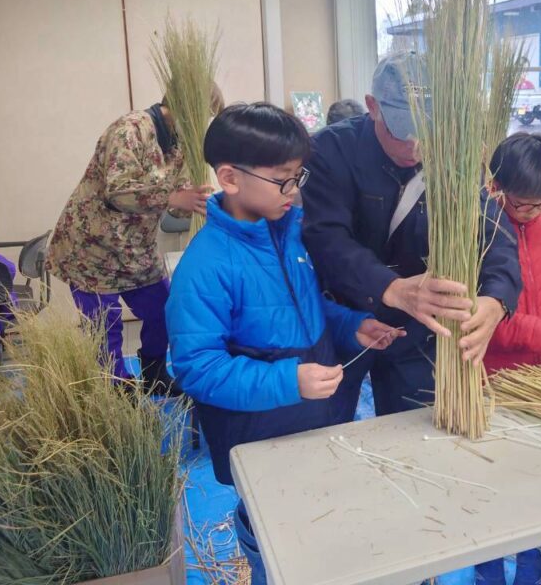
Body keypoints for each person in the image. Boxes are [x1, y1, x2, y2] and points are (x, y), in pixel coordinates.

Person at [165, 102, 403, 581]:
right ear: (230, 178)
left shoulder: (290, 236)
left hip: (312, 420)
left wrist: (350, 325)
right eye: (283, 180)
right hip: (258, 438)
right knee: (272, 541)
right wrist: (288, 380)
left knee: (316, 527)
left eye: (299, 178)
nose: (294, 193)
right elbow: (198, 368)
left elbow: (309, 307)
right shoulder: (206, 265)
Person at [301, 51, 521, 419]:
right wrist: (394, 288)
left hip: (419, 330)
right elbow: (327, 240)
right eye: (402, 131)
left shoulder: (451, 156)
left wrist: (497, 301)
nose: (416, 147)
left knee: (417, 430)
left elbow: (495, 235)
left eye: (427, 132)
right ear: (372, 106)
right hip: (340, 318)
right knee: (323, 432)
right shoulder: (329, 150)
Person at [47, 88, 222, 394]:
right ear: (183, 104)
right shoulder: (131, 129)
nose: (202, 124)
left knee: (165, 310)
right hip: (91, 247)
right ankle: (115, 389)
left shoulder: (178, 144)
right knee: (105, 325)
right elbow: (119, 191)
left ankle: (154, 375)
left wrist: (194, 202)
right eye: (203, 114)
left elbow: (176, 197)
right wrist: (172, 196)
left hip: (135, 250)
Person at [474, 132, 541, 585]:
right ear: (496, 187)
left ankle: (533, 560)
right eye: (524, 205)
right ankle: (488, 566)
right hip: (491, 379)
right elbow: (482, 317)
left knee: (537, 472)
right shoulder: (476, 235)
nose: (534, 213)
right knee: (492, 475)